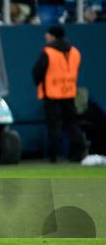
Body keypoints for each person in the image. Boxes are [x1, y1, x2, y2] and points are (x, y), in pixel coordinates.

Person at [32, 25, 86, 162]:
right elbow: (76, 70)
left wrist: (42, 83)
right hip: (69, 93)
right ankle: (78, 154)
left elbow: (37, 72)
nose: (45, 37)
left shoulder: (48, 52)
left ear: (52, 36)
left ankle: (54, 156)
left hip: (52, 94)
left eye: (47, 34)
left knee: (54, 126)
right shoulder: (75, 52)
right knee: (73, 124)